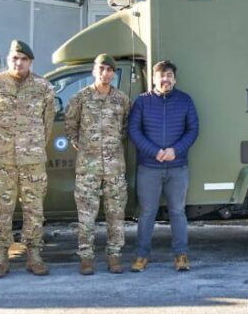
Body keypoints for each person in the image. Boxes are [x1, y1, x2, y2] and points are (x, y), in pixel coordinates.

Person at [0, 40, 56, 279]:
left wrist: (34, 146)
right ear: (8, 59)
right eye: (15, 58)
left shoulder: (43, 87)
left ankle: (34, 256)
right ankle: (1, 257)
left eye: (23, 59)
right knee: (2, 209)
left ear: (30, 62)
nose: (18, 63)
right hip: (4, 160)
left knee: (34, 209)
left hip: (33, 160)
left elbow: (48, 123)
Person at [128, 60, 199, 273]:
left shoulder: (185, 101)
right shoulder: (142, 102)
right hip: (149, 167)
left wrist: (175, 150)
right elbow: (134, 131)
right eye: (161, 75)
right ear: (153, 79)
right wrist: (154, 151)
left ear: (174, 79)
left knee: (177, 211)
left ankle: (181, 255)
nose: (165, 79)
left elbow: (193, 129)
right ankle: (142, 255)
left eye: (169, 75)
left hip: (177, 167)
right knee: (147, 212)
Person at [65, 53, 131, 275]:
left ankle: (114, 256)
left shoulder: (121, 100)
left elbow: (125, 128)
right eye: (101, 69)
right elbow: (71, 125)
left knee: (116, 215)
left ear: (113, 73)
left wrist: (111, 147)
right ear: (94, 71)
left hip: (114, 168)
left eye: (109, 70)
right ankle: (86, 258)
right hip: (88, 168)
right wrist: (83, 146)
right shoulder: (80, 98)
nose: (105, 73)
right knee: (86, 216)